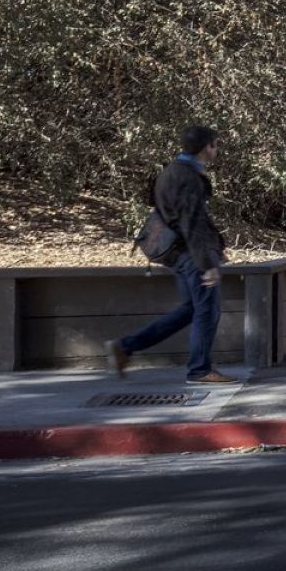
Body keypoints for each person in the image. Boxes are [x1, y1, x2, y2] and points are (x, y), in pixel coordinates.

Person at [107, 125, 236, 383]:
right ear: (206, 147)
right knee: (207, 310)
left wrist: (217, 247)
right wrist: (207, 263)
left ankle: (125, 347)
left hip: (178, 252)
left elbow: (189, 217)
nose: (217, 150)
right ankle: (200, 370)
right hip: (189, 253)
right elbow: (192, 222)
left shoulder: (173, 172)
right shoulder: (187, 177)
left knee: (191, 309)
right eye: (215, 144)